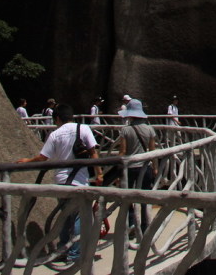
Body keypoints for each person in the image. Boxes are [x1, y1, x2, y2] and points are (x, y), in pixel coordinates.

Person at [17, 103, 101, 262]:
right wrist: (99, 173)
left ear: (57, 118)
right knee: (78, 217)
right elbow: (93, 152)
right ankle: (74, 254)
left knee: (65, 216)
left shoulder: (55, 134)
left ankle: (63, 248)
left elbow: (43, 158)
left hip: (61, 181)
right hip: (79, 181)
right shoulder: (84, 129)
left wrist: (27, 160)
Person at [116, 99, 158, 230]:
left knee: (128, 198)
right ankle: (145, 226)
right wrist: (155, 167)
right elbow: (152, 151)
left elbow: (122, 152)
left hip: (129, 168)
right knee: (144, 198)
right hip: (145, 168)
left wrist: (118, 170)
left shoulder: (125, 130)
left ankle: (131, 224)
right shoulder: (150, 129)